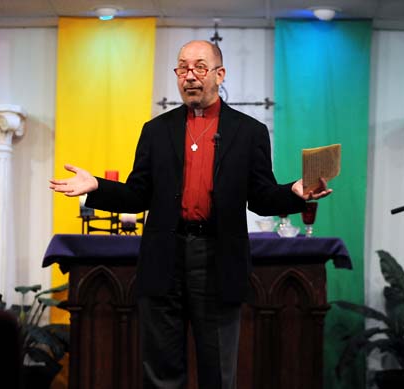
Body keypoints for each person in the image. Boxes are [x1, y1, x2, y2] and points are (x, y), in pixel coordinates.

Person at [49, 40, 332, 389]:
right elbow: (138, 195)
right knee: (161, 371)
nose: (189, 76)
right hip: (164, 257)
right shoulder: (155, 131)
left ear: (220, 74)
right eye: (182, 68)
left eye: (199, 67)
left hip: (218, 258)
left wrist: (293, 192)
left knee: (217, 372)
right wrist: (96, 186)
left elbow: (260, 198)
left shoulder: (249, 132)